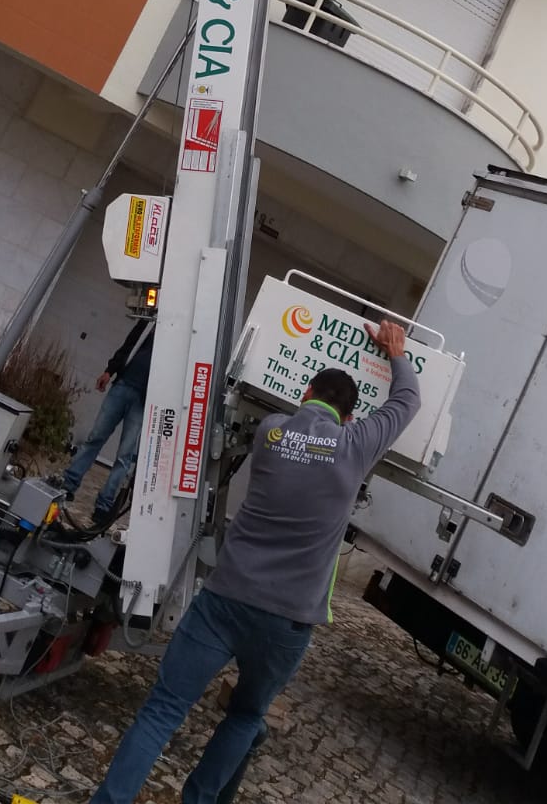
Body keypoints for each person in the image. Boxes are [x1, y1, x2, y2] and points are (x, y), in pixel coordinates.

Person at [89, 318, 420, 804]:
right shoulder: (356, 445)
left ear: (306, 392)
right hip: (287, 622)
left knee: (163, 709)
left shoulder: (271, 433)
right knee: (245, 716)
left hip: (226, 599)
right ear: (349, 418)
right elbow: (407, 400)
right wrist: (395, 350)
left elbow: (290, 427)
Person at [60, 315, 154, 522]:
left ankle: (104, 504)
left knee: (125, 455)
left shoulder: (180, 337)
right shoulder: (149, 319)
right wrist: (109, 370)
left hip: (144, 399)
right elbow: (128, 345)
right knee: (95, 438)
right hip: (123, 385)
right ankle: (68, 484)